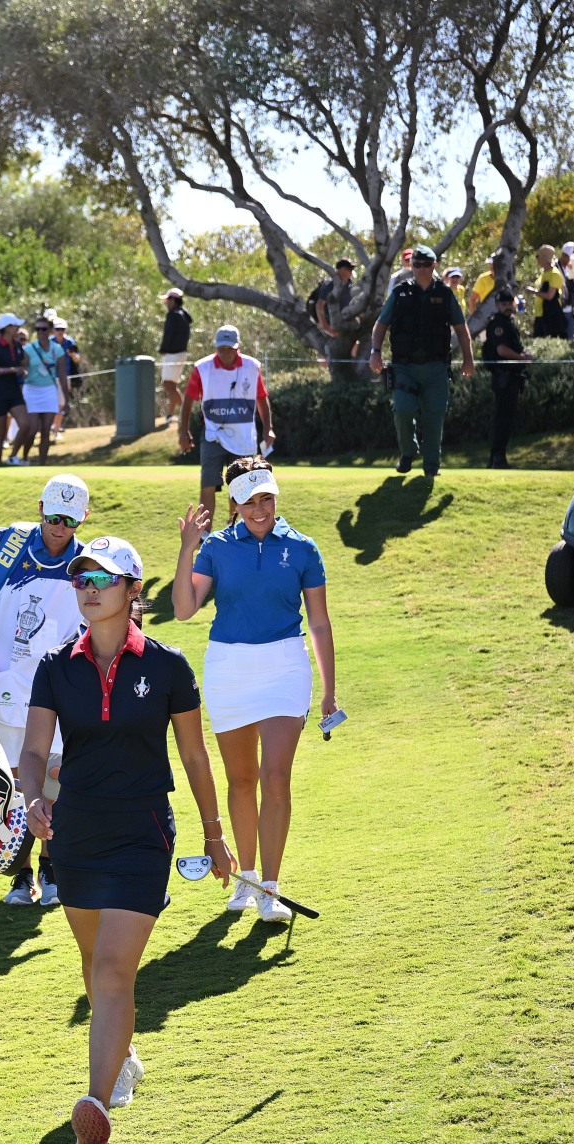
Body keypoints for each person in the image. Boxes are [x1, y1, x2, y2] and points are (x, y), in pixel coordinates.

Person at [20, 535, 232, 1144]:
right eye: (81, 579)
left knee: (114, 969)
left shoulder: (168, 667)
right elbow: (33, 751)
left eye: (103, 580)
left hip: (142, 833)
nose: (89, 589)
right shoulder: (55, 666)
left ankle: (96, 1104)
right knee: (95, 964)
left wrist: (214, 834)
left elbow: (195, 755)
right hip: (76, 833)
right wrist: (32, 798)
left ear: (133, 590)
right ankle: (123, 1058)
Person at [173, 457, 337, 924]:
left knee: (276, 776)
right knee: (241, 780)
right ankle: (245, 881)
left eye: (267, 498)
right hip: (229, 668)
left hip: (286, 666)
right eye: (249, 501)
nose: (260, 509)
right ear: (234, 503)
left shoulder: (303, 548)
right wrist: (187, 550)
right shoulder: (216, 548)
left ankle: (270, 888)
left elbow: (319, 623)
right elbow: (184, 609)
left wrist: (329, 691)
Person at [0, 473, 91, 907]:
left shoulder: (88, 563)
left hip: (54, 686)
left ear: (83, 519)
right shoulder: (9, 544)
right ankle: (20, 872)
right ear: (41, 509)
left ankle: (51, 867)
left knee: (54, 777)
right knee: (11, 781)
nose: (60, 527)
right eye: (54, 517)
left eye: (70, 520)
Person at [367, 245, 475, 479]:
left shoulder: (445, 294)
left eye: (426, 265)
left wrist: (469, 358)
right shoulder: (400, 293)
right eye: (417, 265)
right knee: (403, 410)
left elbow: (461, 328)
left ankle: (431, 468)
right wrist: (375, 352)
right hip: (404, 367)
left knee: (434, 417)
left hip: (436, 367)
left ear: (434, 265)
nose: (421, 269)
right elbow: (381, 325)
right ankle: (408, 451)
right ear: (411, 266)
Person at [175, 325, 274, 527]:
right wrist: (183, 431)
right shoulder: (202, 368)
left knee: (240, 486)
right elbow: (188, 400)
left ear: (238, 348)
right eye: (222, 349)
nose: (226, 353)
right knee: (208, 484)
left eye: (230, 349)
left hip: (243, 437)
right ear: (216, 347)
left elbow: (262, 398)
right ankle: (205, 533)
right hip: (213, 435)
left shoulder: (251, 366)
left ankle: (234, 527)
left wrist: (268, 428)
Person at [481, 286, 531, 470]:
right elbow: (501, 350)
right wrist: (522, 358)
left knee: (505, 418)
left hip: (511, 376)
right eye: (504, 304)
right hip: (504, 376)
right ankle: (497, 457)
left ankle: (495, 458)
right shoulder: (499, 324)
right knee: (503, 418)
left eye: (510, 303)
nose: (508, 306)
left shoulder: (508, 323)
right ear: (497, 305)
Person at [19, 317, 71, 463]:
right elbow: (22, 368)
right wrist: (23, 371)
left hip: (49, 390)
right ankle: (24, 457)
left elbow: (62, 375)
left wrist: (66, 400)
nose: (40, 332)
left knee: (46, 430)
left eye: (43, 329)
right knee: (32, 428)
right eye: (38, 329)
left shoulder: (57, 350)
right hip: (32, 390)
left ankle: (43, 463)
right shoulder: (29, 349)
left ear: (50, 330)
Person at [0, 314, 30, 465]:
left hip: (14, 392)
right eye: (15, 326)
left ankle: (12, 457)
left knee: (25, 424)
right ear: (7, 328)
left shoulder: (17, 346)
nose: (18, 328)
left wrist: (23, 369)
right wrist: (11, 370)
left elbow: (24, 362)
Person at [315, 259, 360, 382]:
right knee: (328, 352)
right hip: (330, 325)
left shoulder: (351, 285)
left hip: (347, 325)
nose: (350, 271)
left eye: (351, 269)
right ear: (339, 270)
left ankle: (350, 374)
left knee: (354, 346)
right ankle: (325, 377)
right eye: (348, 268)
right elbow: (319, 305)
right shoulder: (330, 285)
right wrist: (325, 325)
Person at [157, 289, 193, 432]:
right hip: (181, 353)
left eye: (167, 300)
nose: (166, 303)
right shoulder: (184, 315)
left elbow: (168, 334)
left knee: (168, 385)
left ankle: (187, 413)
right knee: (172, 385)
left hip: (172, 354)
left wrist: (163, 349)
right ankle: (170, 415)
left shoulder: (173, 315)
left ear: (173, 300)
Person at [529, 245, 569, 339]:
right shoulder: (543, 272)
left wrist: (533, 292)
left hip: (551, 316)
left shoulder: (554, 274)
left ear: (544, 258)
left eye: (538, 256)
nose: (537, 259)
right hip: (540, 313)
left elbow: (550, 296)